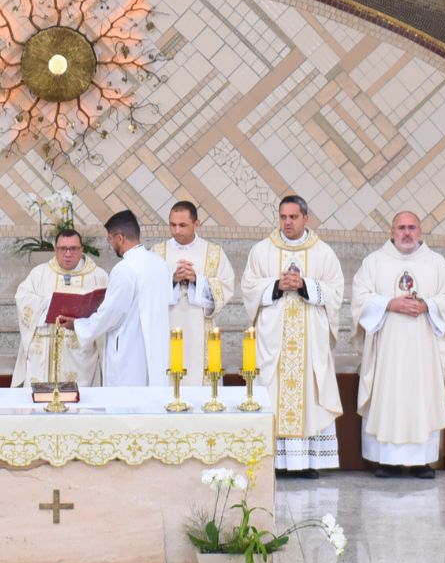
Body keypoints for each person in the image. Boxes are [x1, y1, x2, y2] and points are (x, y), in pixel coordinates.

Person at [240, 195, 345, 479]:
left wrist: (304, 285)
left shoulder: (323, 253)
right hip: (274, 340)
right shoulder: (262, 251)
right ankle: (274, 462)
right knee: (273, 393)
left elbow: (336, 291)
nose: (287, 223)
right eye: (283, 217)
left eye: (293, 217)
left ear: (306, 218)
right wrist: (275, 285)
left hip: (309, 340)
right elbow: (248, 288)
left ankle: (307, 462)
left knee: (310, 394)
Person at [351, 211, 445, 479]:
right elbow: (359, 297)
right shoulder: (373, 262)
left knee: (421, 396)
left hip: (423, 348)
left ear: (420, 231)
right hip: (387, 348)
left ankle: (421, 461)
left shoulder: (437, 264)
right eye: (401, 227)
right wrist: (389, 303)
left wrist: (427, 305)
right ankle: (385, 461)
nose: (407, 233)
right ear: (392, 231)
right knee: (388, 394)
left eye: (412, 227)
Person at [64, 210, 172, 386]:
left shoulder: (124, 269)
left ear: (120, 238)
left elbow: (111, 314)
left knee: (127, 408)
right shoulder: (160, 264)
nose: (110, 244)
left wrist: (77, 325)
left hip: (129, 354)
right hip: (157, 350)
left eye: (110, 239)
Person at [12, 228, 109, 386]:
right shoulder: (39, 274)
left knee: (79, 403)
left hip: (80, 357)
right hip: (43, 357)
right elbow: (22, 298)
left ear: (82, 249)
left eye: (73, 248)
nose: (68, 253)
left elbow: (107, 314)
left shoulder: (98, 276)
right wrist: (50, 303)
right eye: (63, 248)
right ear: (55, 250)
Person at [153, 201, 233, 386]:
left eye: (183, 225)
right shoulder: (157, 252)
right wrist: (172, 280)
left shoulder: (214, 253)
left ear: (197, 224)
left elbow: (226, 288)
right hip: (167, 327)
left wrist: (198, 280)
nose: (177, 231)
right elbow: (146, 290)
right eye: (172, 225)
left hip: (200, 330)